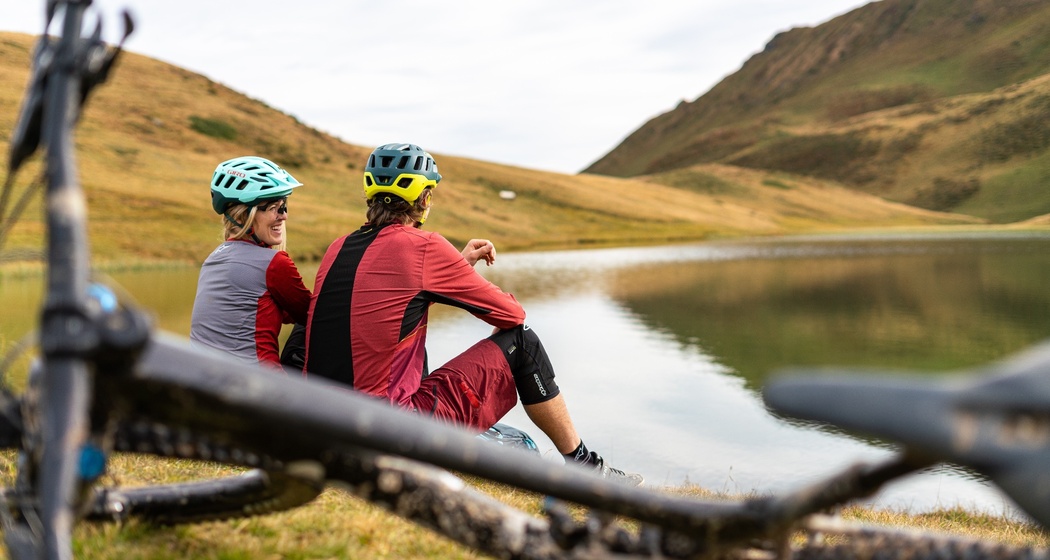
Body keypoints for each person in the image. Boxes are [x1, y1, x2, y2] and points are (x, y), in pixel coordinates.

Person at [301, 143, 642, 484]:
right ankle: (587, 469)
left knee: (405, 346)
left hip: (325, 424)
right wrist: (454, 272)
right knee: (522, 343)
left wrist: (455, 267)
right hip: (389, 432)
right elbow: (512, 315)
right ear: (425, 198)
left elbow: (389, 306)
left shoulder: (338, 247)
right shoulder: (424, 246)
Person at [190, 156, 311, 368]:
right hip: (258, 387)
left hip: (204, 380)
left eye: (284, 206)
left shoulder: (214, 258)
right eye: (275, 207)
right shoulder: (274, 263)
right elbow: (310, 314)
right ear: (246, 214)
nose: (283, 216)